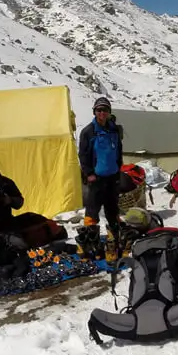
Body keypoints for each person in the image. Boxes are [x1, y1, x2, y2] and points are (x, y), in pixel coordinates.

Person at [77, 97, 123, 258]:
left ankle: (114, 242)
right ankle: (91, 245)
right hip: (96, 178)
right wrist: (89, 173)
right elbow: (83, 154)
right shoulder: (88, 132)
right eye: (99, 110)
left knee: (112, 210)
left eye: (105, 110)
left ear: (109, 112)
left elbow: (118, 150)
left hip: (112, 177)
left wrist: (119, 168)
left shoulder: (114, 130)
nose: (102, 113)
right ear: (94, 112)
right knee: (92, 211)